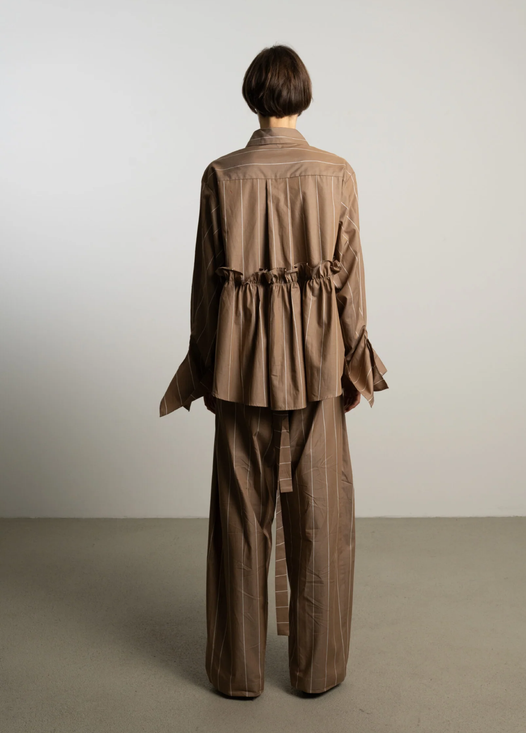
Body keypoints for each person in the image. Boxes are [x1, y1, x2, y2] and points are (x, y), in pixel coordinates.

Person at [159, 44, 389, 698]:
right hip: (319, 369)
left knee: (239, 523)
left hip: (239, 369)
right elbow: (349, 282)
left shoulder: (221, 175)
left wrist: (208, 365)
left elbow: (206, 286)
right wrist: (352, 363)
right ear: (302, 96)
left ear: (252, 95)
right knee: (322, 519)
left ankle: (237, 673)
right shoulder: (336, 173)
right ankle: (319, 670)